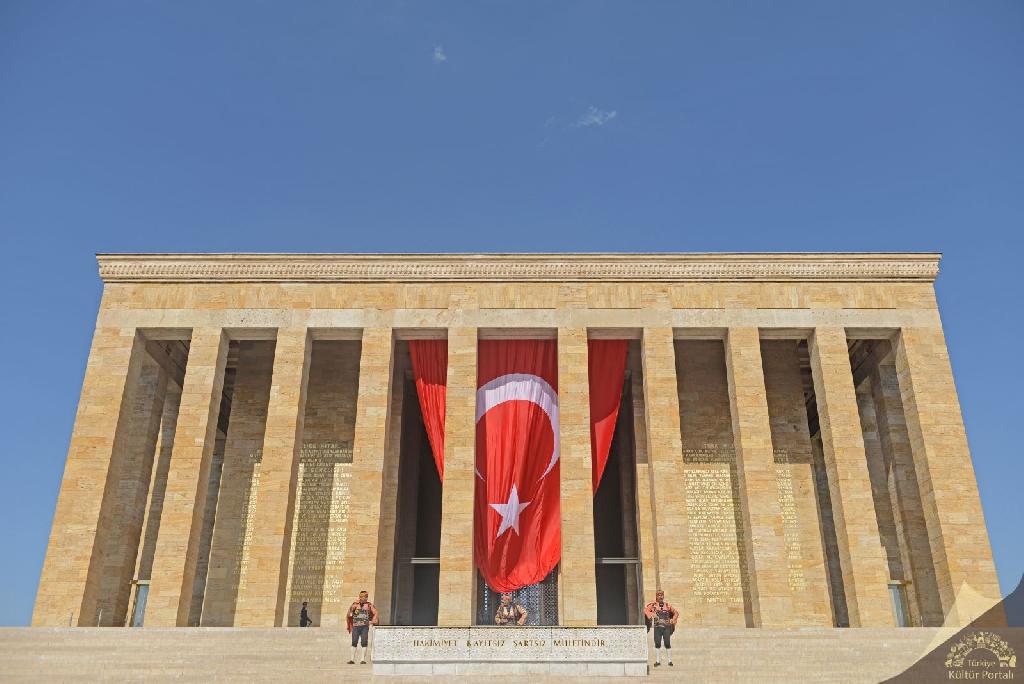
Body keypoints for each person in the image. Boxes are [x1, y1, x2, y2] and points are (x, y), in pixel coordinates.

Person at [644, 590, 679, 667]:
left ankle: (670, 661)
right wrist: (652, 614)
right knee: (657, 644)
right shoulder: (653, 605)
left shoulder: (667, 605)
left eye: (661, 595)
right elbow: (645, 611)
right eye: (659, 595)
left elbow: (676, 613)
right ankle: (657, 661)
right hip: (657, 627)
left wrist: (672, 620)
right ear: (656, 596)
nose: (660, 597)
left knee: (667, 643)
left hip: (666, 627)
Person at [346, 590, 378, 665]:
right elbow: (349, 614)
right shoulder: (355, 604)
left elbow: (375, 612)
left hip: (364, 626)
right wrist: (353, 606)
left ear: (366, 597)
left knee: (364, 642)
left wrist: (372, 621)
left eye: (364, 597)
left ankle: (362, 659)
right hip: (356, 626)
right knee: (354, 642)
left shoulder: (369, 605)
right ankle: (352, 659)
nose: (362, 598)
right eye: (361, 596)